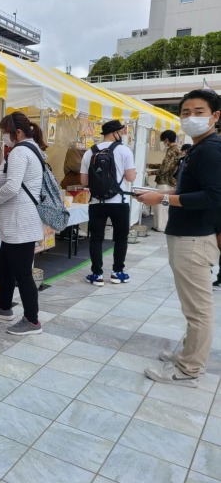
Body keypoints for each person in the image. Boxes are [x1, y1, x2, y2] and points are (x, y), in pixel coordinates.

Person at [137, 88, 221, 388]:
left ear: (215, 116)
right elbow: (187, 191)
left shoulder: (211, 149)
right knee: (192, 306)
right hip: (187, 235)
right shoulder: (197, 148)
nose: (190, 118)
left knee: (198, 310)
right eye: (185, 113)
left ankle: (189, 370)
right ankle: (188, 355)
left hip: (195, 238)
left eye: (199, 112)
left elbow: (214, 195)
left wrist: (162, 201)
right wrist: (162, 193)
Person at [0, 112, 46, 335]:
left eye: (6, 133)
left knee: (22, 272)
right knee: (5, 265)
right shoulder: (29, 150)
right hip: (17, 222)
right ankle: (4, 307)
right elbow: (6, 178)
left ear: (17, 132)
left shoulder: (20, 152)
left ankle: (32, 320)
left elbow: (11, 187)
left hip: (20, 222)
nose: (4, 138)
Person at [80, 120, 136, 286]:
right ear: (115, 133)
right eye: (121, 132)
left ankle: (97, 274)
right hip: (120, 200)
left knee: (96, 239)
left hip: (97, 201)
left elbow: (84, 182)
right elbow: (131, 178)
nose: (122, 135)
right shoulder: (125, 150)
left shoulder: (90, 152)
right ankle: (117, 272)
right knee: (120, 238)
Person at [147, 130, 182, 232]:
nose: (163, 143)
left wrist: (151, 173)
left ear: (167, 140)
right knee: (165, 204)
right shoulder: (177, 150)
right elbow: (165, 166)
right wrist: (150, 165)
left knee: (160, 204)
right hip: (171, 181)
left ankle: (160, 226)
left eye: (163, 141)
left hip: (165, 181)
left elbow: (165, 169)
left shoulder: (172, 151)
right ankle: (163, 225)